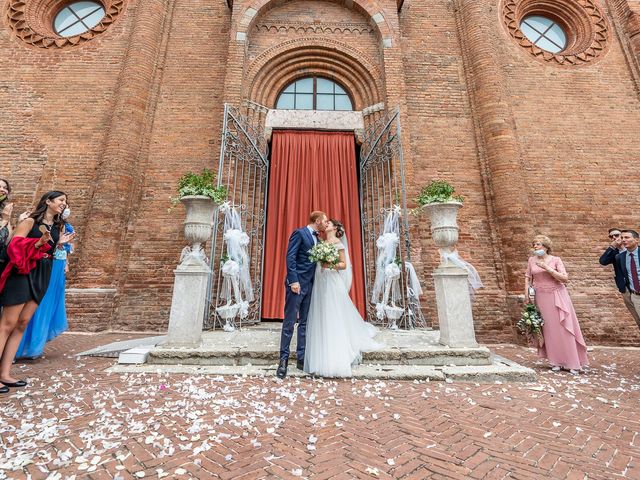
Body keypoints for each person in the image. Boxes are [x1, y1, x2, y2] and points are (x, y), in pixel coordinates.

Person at [0, 191, 75, 394]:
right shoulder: (30, 222)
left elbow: (49, 250)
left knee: (22, 323)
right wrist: (38, 243)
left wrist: (57, 244)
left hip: (44, 272)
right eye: (60, 200)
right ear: (48, 201)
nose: (63, 204)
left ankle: (5, 373)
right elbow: (13, 247)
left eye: (65, 201)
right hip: (23, 271)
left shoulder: (57, 227)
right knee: (7, 324)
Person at [304, 219, 382, 378]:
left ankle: (337, 351)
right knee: (322, 312)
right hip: (320, 281)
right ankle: (323, 346)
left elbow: (343, 265)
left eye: (328, 223)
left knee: (334, 313)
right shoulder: (322, 241)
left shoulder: (338, 243)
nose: (325, 225)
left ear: (334, 227)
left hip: (332, 281)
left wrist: (328, 265)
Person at [16, 207, 74, 359]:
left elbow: (64, 248)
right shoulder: (36, 223)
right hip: (43, 264)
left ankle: (33, 345)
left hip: (55, 264)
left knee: (45, 303)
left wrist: (66, 261)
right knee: (29, 308)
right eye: (62, 201)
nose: (65, 207)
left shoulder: (61, 226)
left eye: (66, 204)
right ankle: (18, 347)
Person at [524, 235, 588, 373]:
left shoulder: (556, 260)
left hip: (557, 296)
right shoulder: (531, 260)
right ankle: (555, 361)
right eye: (534, 244)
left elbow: (564, 278)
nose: (535, 246)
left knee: (563, 328)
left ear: (546, 247)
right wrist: (527, 295)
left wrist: (547, 268)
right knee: (549, 329)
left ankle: (572, 362)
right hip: (540, 297)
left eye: (538, 244)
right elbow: (528, 278)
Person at [276, 211, 327, 379]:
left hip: (311, 285)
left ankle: (301, 358)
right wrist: (293, 281)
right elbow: (290, 257)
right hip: (296, 285)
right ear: (317, 221)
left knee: (304, 323)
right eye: (324, 221)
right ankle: (283, 361)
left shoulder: (319, 239)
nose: (326, 223)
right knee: (289, 323)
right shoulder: (300, 233)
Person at [599, 227, 639, 327]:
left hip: (636, 286)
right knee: (637, 317)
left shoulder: (634, 249)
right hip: (626, 288)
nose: (615, 238)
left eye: (617, 235)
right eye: (611, 236)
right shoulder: (616, 254)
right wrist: (612, 247)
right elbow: (603, 261)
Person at [0, 179, 30, 275]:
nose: (2, 190)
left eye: (5, 188)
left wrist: (19, 223)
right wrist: (4, 220)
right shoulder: (4, 216)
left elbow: (8, 240)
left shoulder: (3, 212)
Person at [613, 230, 640, 329]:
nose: (623, 240)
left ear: (637, 240)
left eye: (627, 237)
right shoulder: (620, 257)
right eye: (622, 238)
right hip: (636, 296)